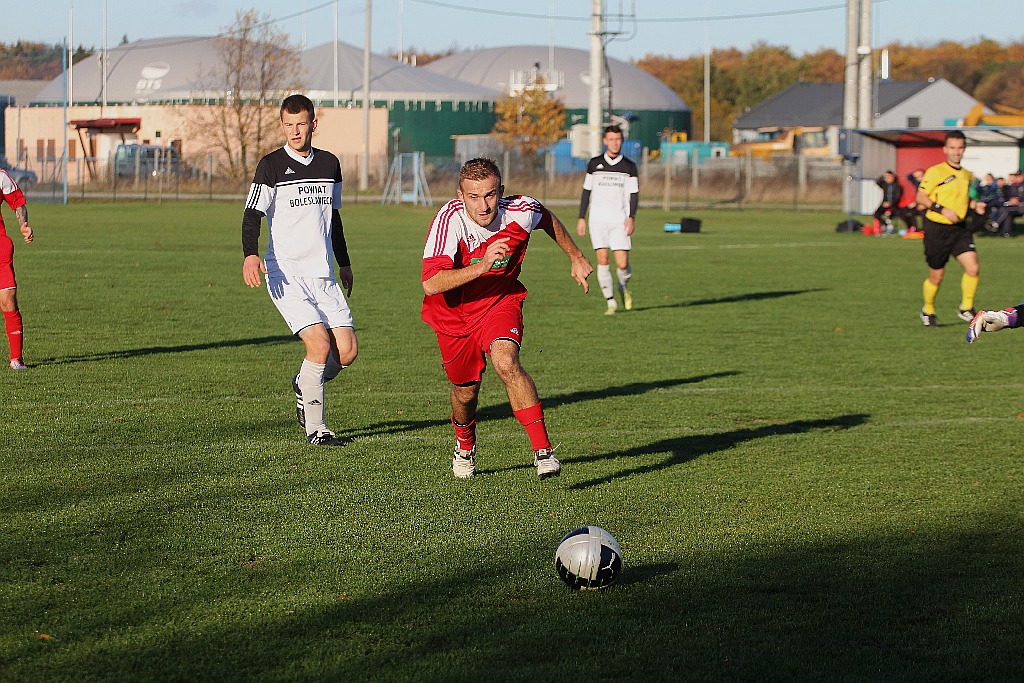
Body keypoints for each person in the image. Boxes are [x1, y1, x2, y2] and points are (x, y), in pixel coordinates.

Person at [422, 157, 593, 479]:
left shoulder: (521, 210)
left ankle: (543, 453)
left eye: (489, 195)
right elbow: (431, 283)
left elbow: (547, 219)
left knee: (506, 362)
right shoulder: (449, 220)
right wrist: (483, 265)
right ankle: (464, 443)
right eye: (473, 197)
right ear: (460, 195)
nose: (483, 205)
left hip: (499, 302)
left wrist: (576, 256)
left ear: (500, 190)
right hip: (453, 317)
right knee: (465, 392)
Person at [242, 94, 356, 446]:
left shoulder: (330, 164)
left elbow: (333, 219)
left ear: (313, 124)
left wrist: (344, 262)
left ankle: (304, 382)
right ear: (282, 125)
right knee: (319, 346)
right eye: (288, 124)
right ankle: (317, 430)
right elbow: (252, 214)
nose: (295, 130)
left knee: (347, 352)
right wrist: (250, 255)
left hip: (323, 274)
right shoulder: (271, 165)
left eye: (301, 124)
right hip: (286, 274)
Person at [915, 130, 979, 327]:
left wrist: (975, 205)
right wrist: (941, 208)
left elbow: (965, 199)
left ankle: (966, 308)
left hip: (959, 229)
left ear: (964, 149)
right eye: (952, 147)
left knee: (973, 267)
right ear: (945, 149)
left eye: (960, 148)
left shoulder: (968, 175)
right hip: (937, 228)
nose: (956, 152)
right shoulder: (935, 171)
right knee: (937, 276)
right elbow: (921, 197)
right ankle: (928, 310)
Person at [576, 125, 639, 315]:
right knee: (602, 260)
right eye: (611, 139)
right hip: (597, 221)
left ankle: (622, 286)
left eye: (618, 139)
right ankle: (610, 302)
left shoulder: (629, 166)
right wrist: (581, 217)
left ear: (622, 140)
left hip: (620, 221)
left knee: (622, 264)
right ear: (605, 141)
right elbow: (586, 192)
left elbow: (634, 194)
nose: (615, 142)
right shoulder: (594, 164)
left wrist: (631, 218)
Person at [0, 167, 33, 370]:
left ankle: (16, 359)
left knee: (8, 300)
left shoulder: (0, 176)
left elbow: (17, 203)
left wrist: (24, 224)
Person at [873, 170, 904, 235]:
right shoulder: (885, 185)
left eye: (889, 177)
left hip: (894, 204)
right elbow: (877, 182)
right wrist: (883, 176)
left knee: (900, 214)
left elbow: (897, 197)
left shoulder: (897, 186)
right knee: (876, 214)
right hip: (885, 204)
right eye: (887, 177)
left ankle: (908, 228)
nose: (888, 179)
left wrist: (891, 203)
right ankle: (886, 225)